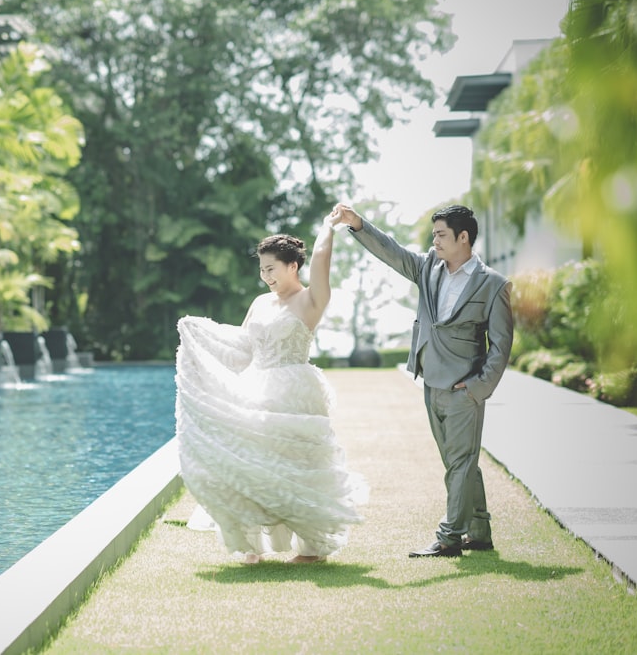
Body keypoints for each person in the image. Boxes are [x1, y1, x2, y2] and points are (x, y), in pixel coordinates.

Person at [175, 209, 367, 564]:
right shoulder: (260, 302)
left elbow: (322, 259)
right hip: (256, 388)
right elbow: (243, 345)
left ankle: (311, 549)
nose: (265, 277)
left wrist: (328, 227)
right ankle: (251, 545)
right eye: (261, 270)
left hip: (295, 390)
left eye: (271, 269)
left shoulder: (311, 300)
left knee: (297, 465)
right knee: (254, 462)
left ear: (292, 266)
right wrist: (198, 330)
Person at [330, 203, 513, 558]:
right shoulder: (428, 266)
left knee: (460, 463)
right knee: (460, 461)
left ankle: (449, 538)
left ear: (464, 237)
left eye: (441, 235)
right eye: (434, 235)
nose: (435, 241)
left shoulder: (493, 285)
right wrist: (358, 225)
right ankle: (479, 530)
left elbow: (501, 346)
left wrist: (477, 388)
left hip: (464, 391)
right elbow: (392, 252)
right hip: (431, 384)